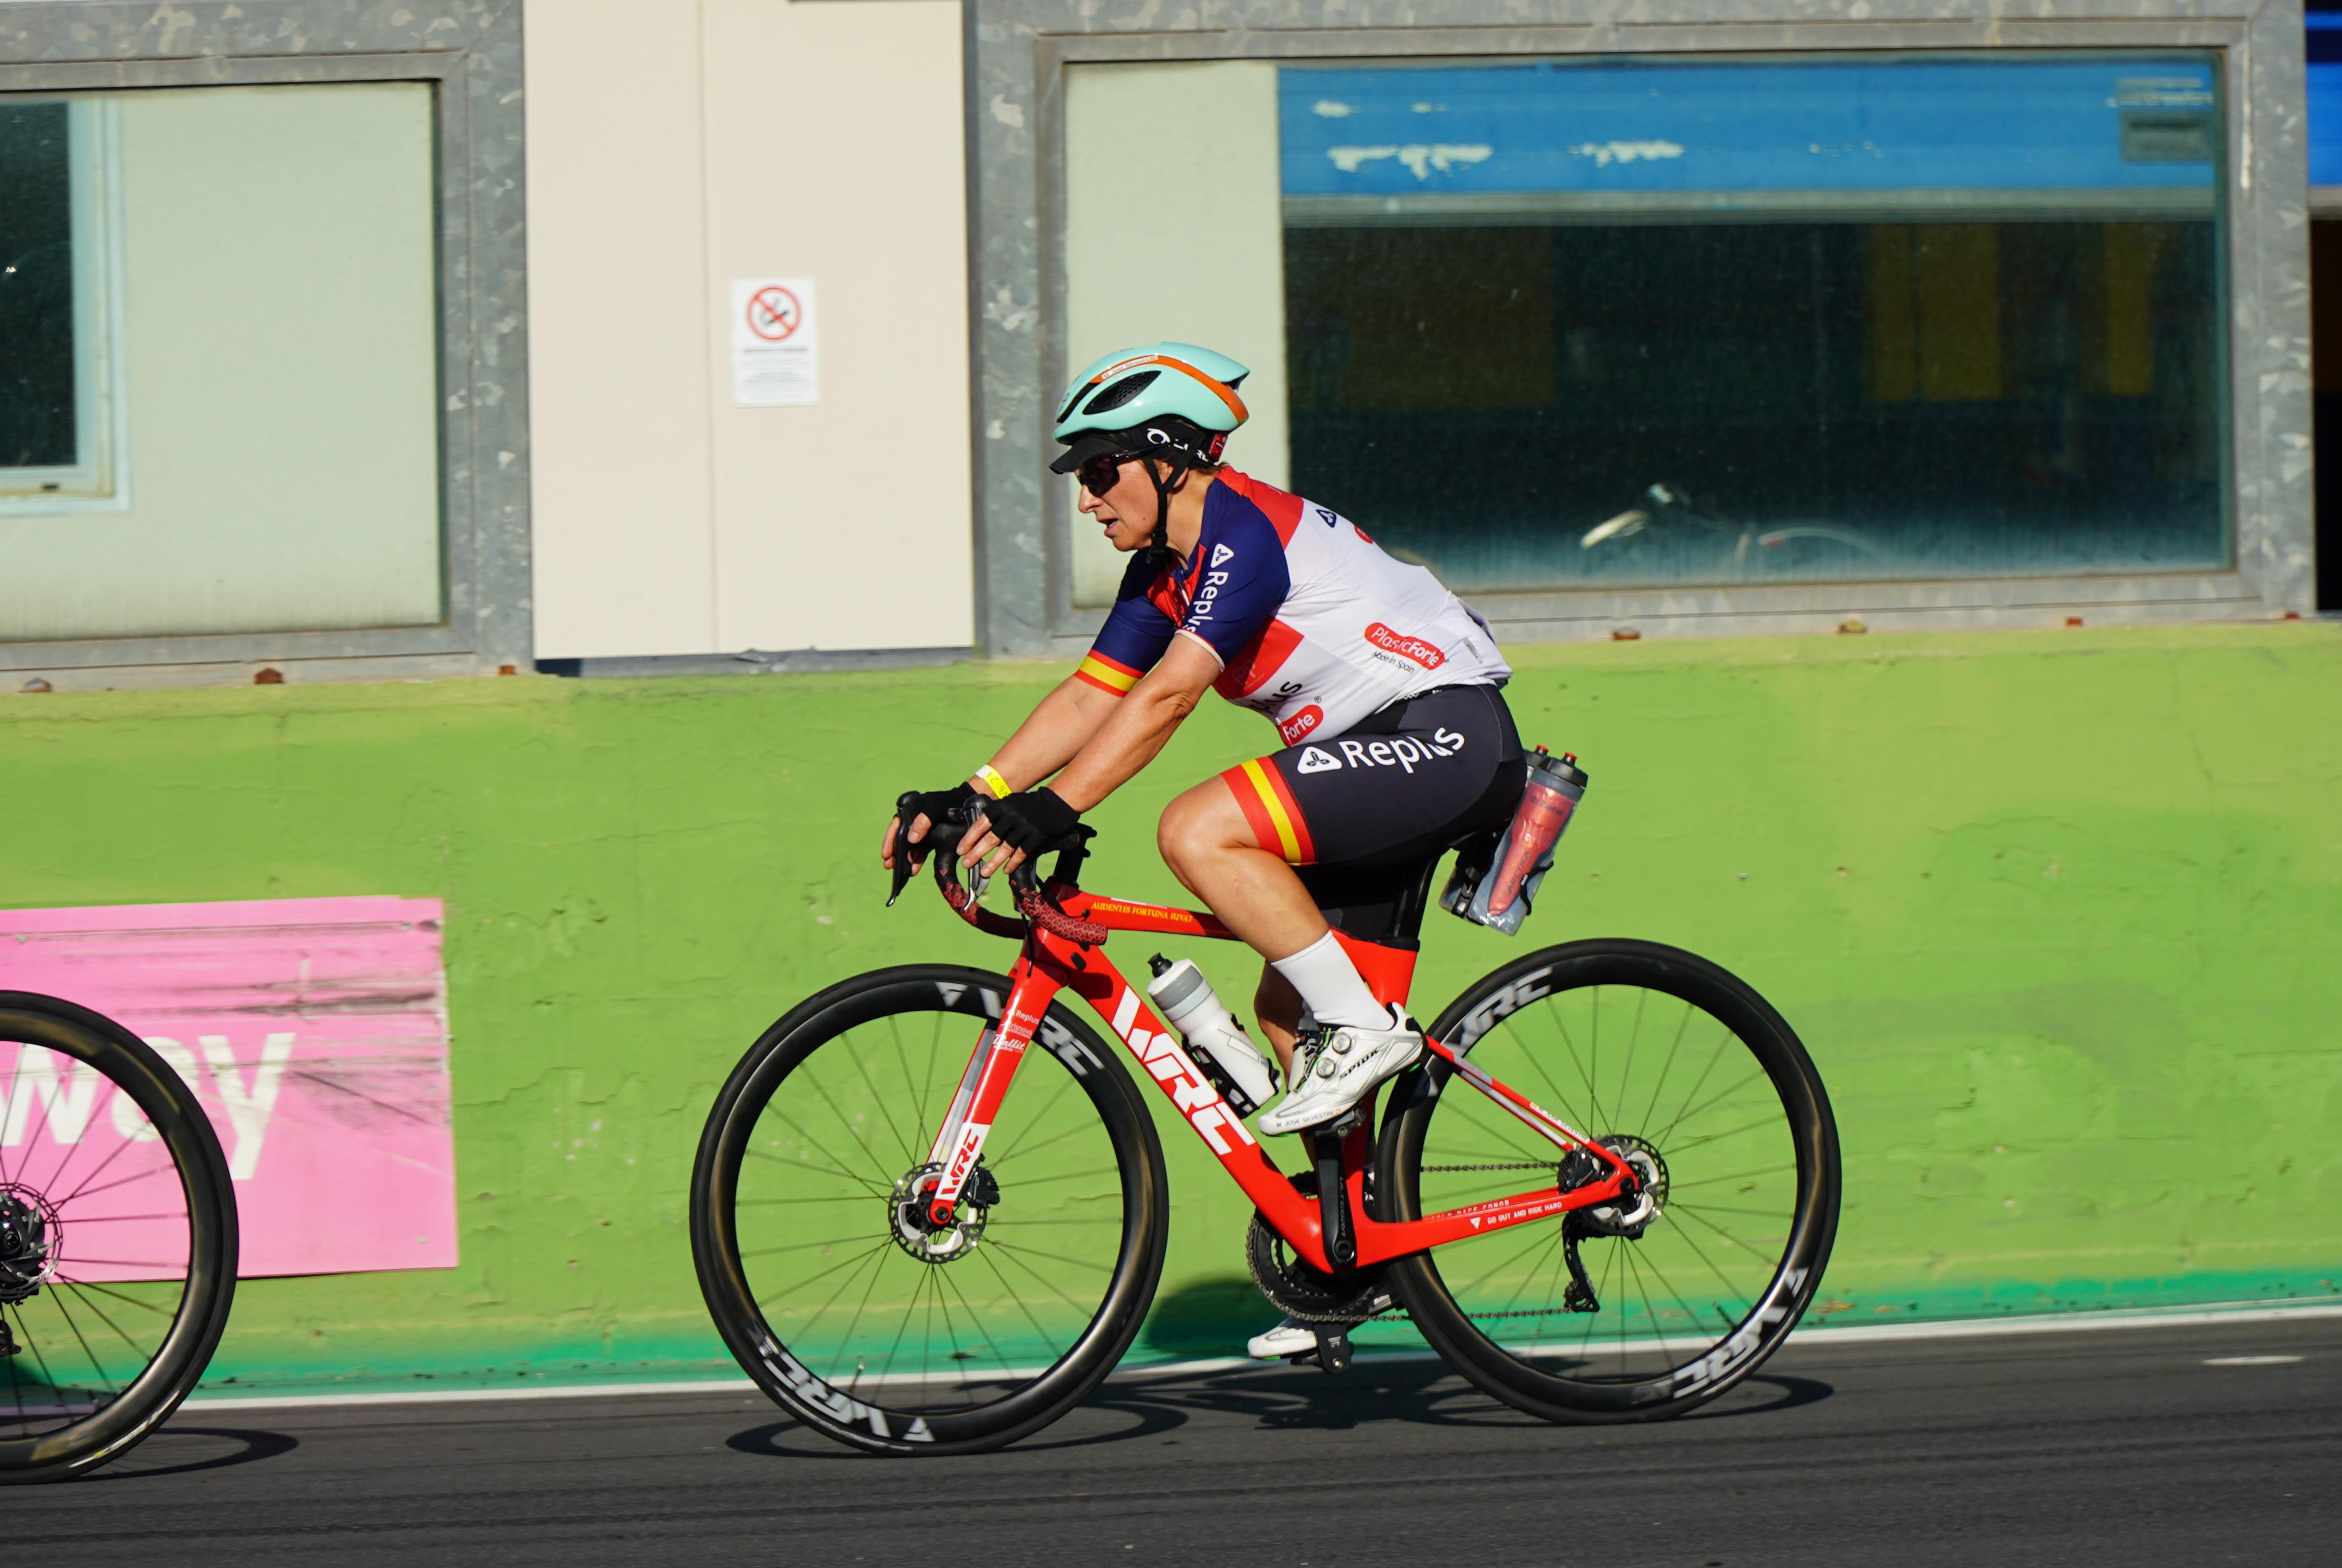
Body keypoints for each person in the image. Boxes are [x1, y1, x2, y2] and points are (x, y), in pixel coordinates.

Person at [881, 342, 1525, 1358]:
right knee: (1287, 1012)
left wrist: (1051, 811)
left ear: (1171, 457)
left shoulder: (1240, 533)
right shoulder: (1165, 569)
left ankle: (1366, 1027)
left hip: (1443, 733)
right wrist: (978, 794)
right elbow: (1094, 692)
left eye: (1100, 470)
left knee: (1194, 827)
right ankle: (1357, 1257)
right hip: (1381, 750)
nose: (1087, 498)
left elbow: (1170, 695)